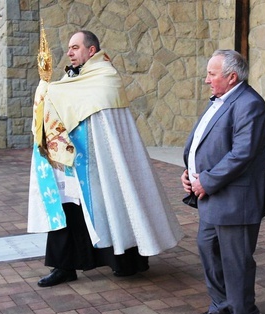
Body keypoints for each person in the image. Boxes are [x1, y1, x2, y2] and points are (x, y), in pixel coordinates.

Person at [28, 30, 183, 287]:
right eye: (69, 48)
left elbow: (100, 120)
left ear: (92, 51)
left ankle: (125, 261)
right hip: (73, 162)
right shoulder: (70, 79)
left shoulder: (105, 76)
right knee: (68, 210)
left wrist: (48, 91)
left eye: (75, 47)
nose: (69, 53)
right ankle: (64, 266)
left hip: (104, 163)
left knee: (116, 202)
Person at [181, 49, 265, 314]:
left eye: (212, 73)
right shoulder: (221, 101)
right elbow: (205, 143)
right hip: (212, 196)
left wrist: (205, 181)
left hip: (236, 200)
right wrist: (189, 172)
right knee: (208, 249)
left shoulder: (249, 105)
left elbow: (241, 154)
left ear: (231, 77)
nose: (207, 79)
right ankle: (222, 304)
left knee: (236, 260)